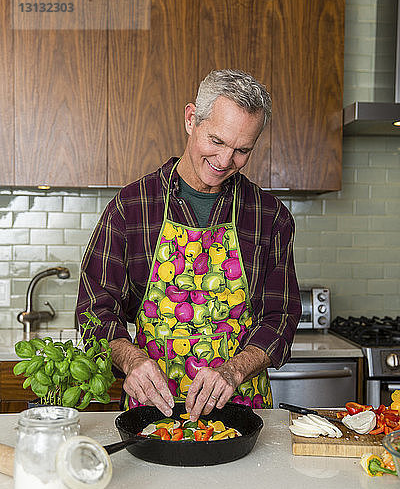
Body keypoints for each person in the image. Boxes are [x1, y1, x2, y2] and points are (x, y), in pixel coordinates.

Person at [76, 69, 301, 421]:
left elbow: (280, 317)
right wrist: (132, 360)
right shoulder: (130, 207)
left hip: (241, 412)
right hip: (152, 412)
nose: (225, 161)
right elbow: (95, 311)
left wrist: (234, 371)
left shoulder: (270, 217)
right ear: (191, 118)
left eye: (242, 150)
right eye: (216, 141)